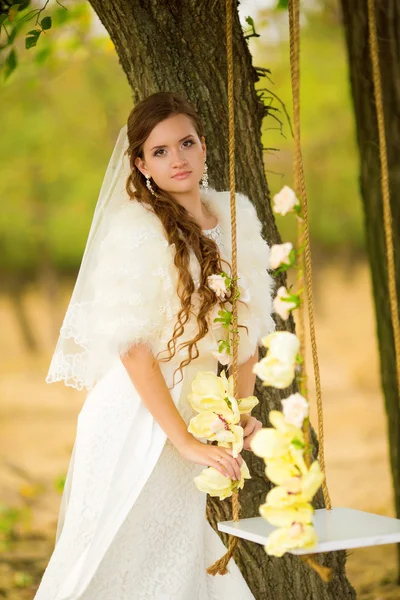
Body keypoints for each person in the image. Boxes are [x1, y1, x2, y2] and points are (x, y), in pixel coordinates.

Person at [34, 91, 275, 600]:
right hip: (136, 416)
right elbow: (132, 349)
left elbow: (246, 331)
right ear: (141, 165)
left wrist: (236, 410)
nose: (178, 158)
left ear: (204, 146)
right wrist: (185, 440)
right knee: (111, 554)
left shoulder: (237, 217)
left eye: (186, 143)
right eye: (160, 151)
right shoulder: (138, 232)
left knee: (173, 556)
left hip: (196, 413)